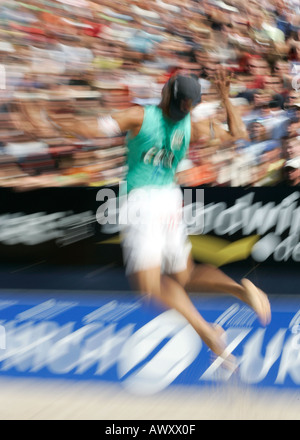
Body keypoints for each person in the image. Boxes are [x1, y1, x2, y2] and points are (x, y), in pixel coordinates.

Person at [38, 68, 271, 367]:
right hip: (171, 200)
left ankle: (206, 332)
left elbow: (90, 128)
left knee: (150, 287)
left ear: (166, 91)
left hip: (141, 203)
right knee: (185, 275)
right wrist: (226, 98)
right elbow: (239, 134)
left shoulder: (140, 116)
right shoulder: (194, 125)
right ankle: (241, 291)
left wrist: (52, 120)